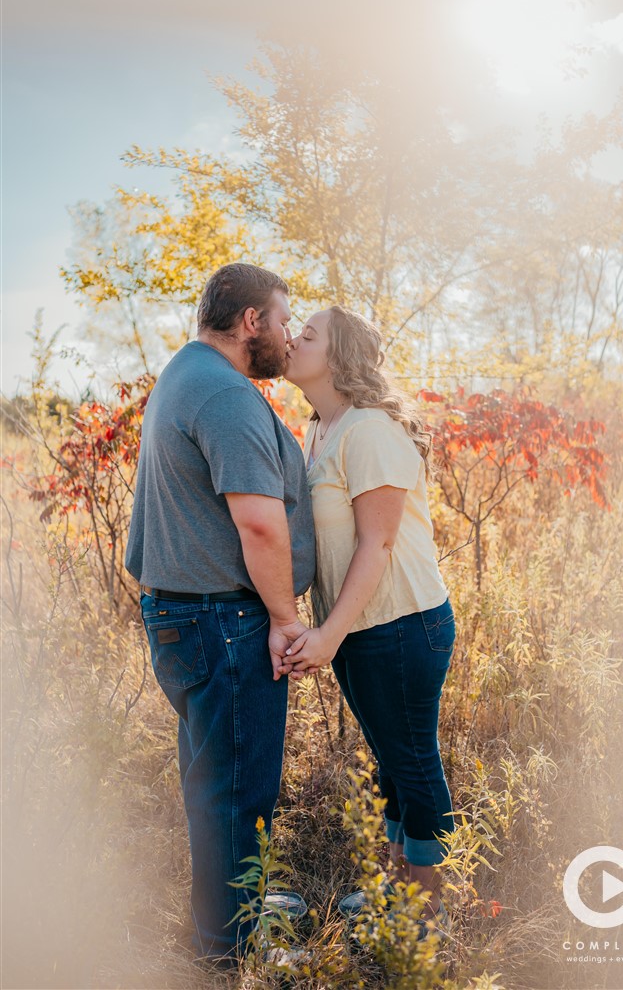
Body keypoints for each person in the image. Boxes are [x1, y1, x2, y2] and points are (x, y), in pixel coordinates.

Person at [125, 263, 316, 966]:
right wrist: (284, 618)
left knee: (215, 779)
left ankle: (232, 907)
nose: (288, 334)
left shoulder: (185, 374)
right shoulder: (228, 396)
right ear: (250, 322)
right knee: (237, 789)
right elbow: (260, 527)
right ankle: (227, 952)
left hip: (187, 616)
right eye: (282, 318)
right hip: (223, 622)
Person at [280, 304, 456, 935]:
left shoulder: (371, 430)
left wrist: (326, 634)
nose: (292, 339)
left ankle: (424, 916)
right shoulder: (317, 430)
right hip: (356, 629)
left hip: (402, 625)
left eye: (308, 334)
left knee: (410, 762)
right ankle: (394, 891)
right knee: (388, 758)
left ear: (341, 355)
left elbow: (376, 546)